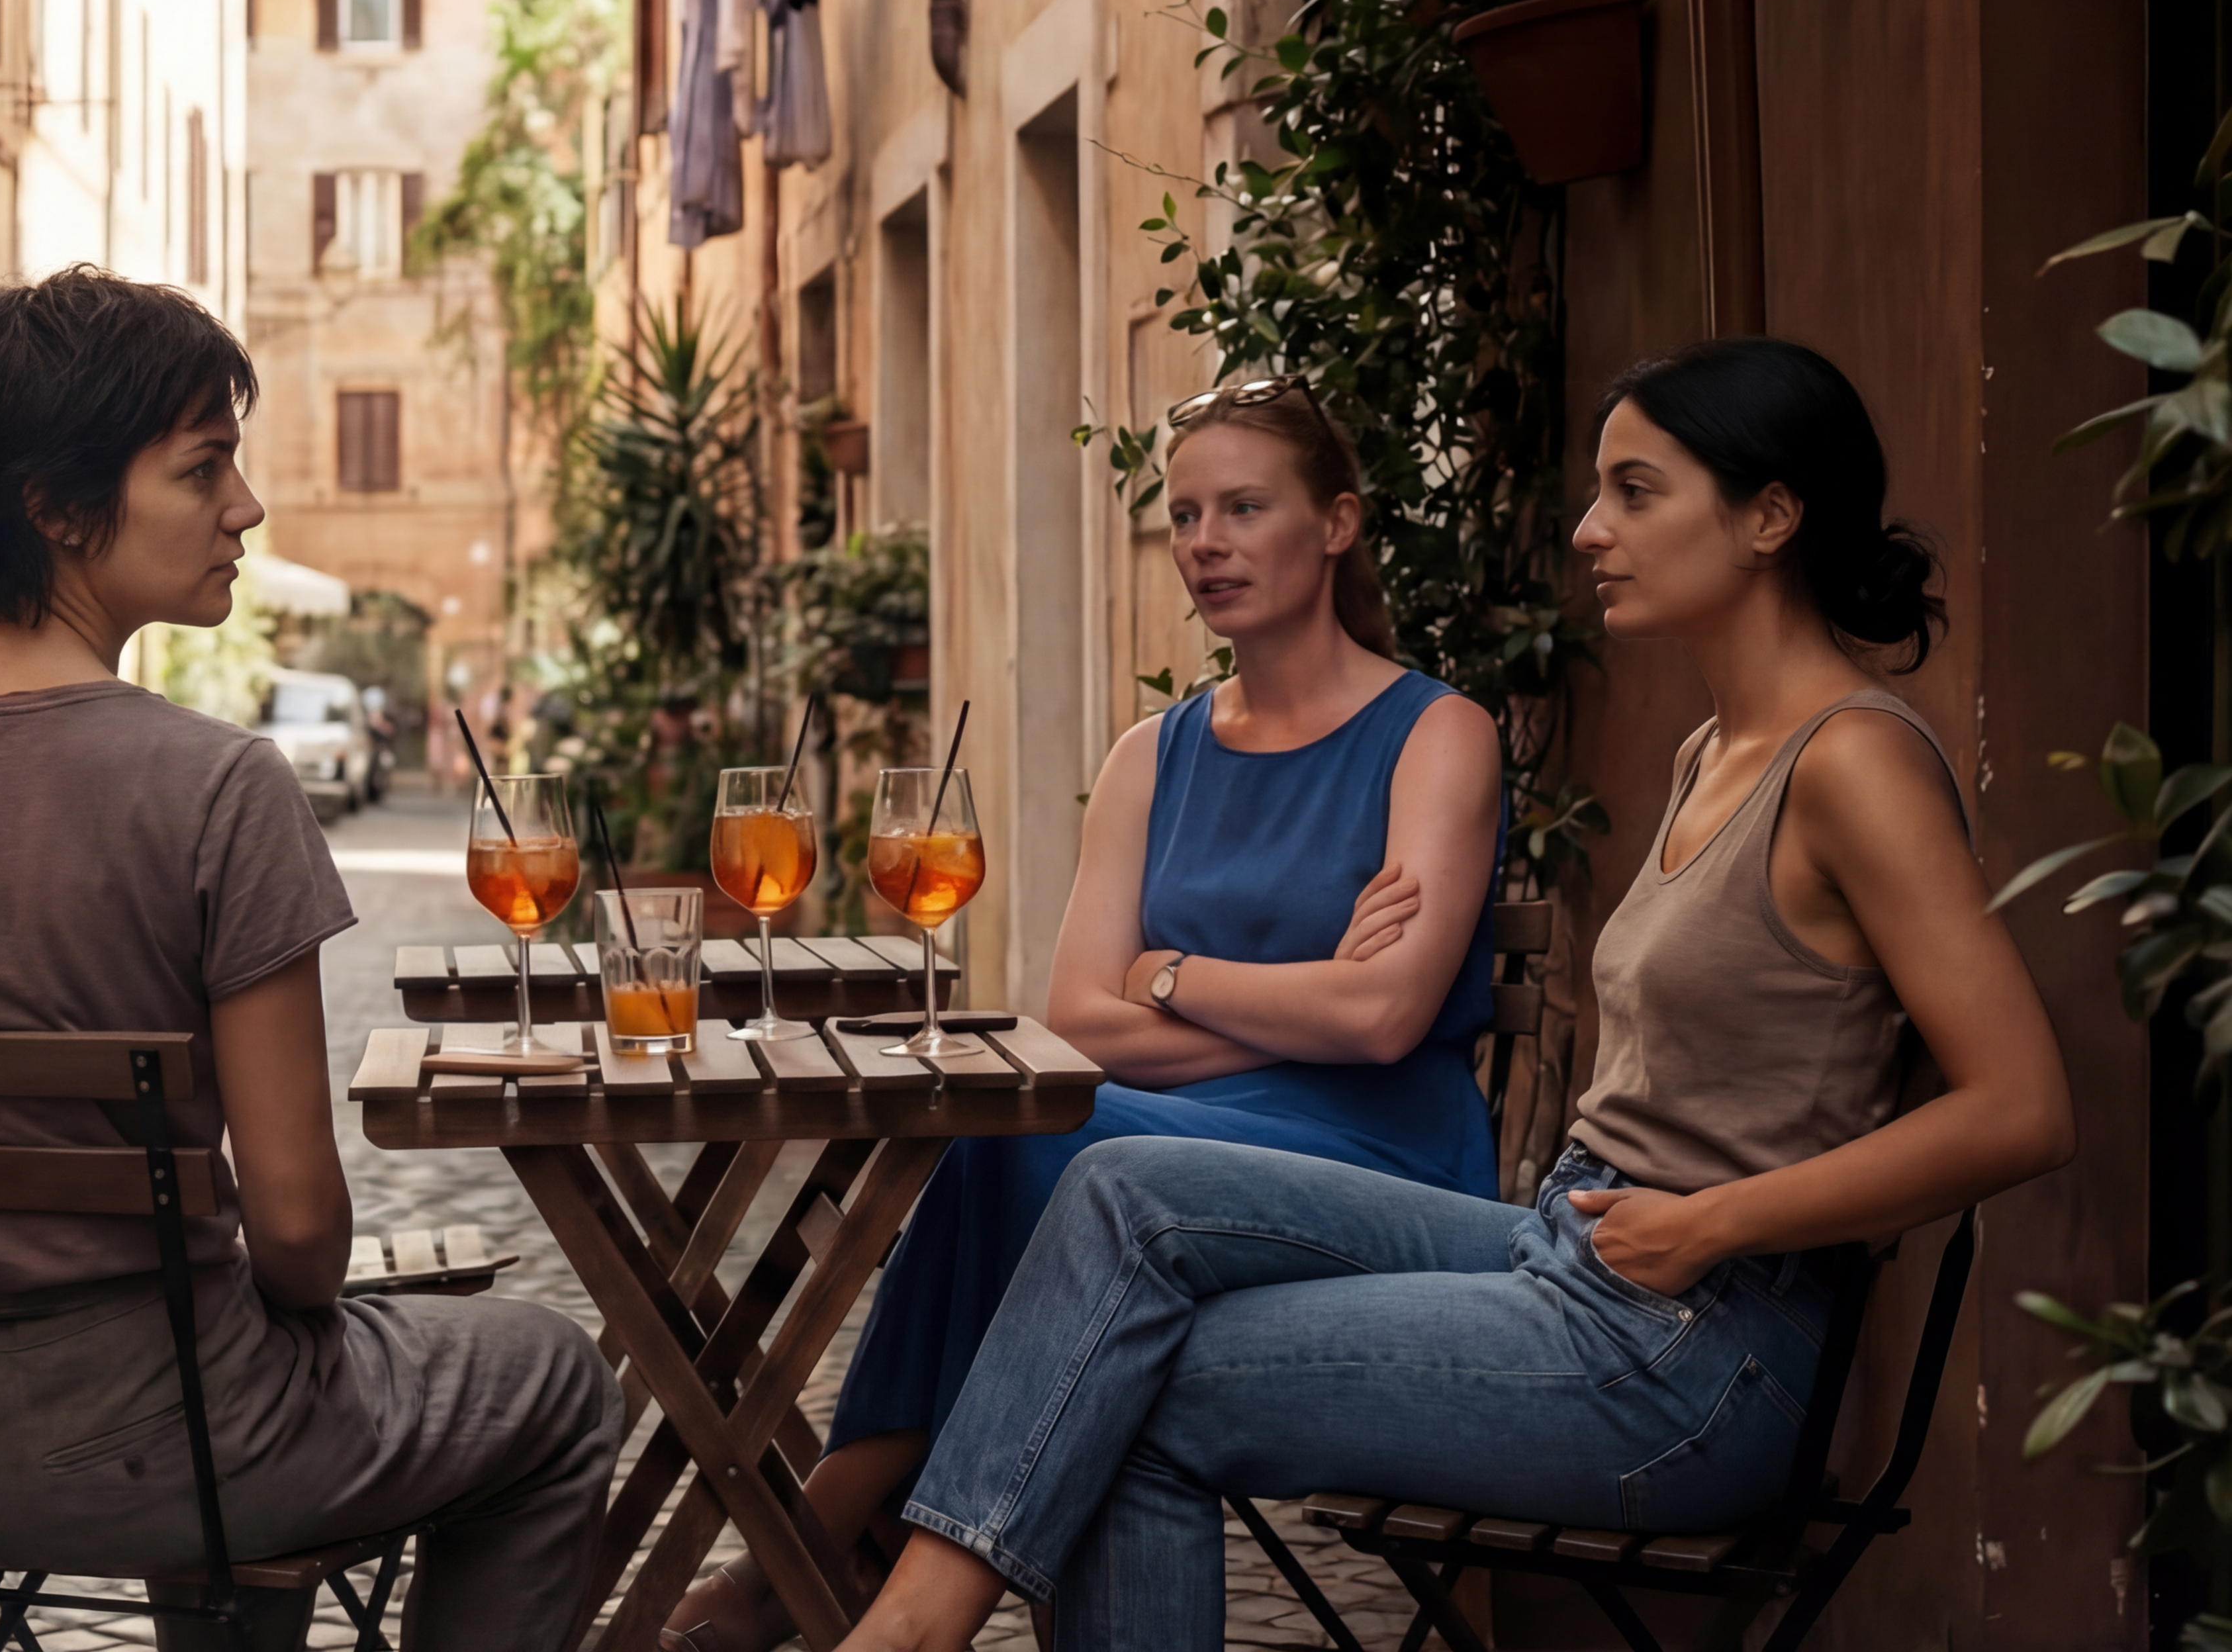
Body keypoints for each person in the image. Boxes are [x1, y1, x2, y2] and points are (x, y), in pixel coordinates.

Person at [831, 338, 2077, 1652]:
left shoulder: (1854, 762)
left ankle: (906, 1629)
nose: (1590, 529)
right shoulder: (1714, 750)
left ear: (1769, 517)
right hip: (1574, 1251)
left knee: (1121, 1385)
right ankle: (910, 1621)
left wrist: (1714, 1221)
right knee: (1113, 1191)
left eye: (1636, 491)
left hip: (1697, 1350)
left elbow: (2021, 1109)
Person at [0, 268, 621, 1652]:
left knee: (234, 1369)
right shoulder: (218, 786)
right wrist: (275, 1305)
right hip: (176, 1448)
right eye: (204, 468)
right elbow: (302, 1231)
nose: (245, 507)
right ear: (57, 506)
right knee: (554, 1379)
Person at [669, 379, 1509, 1651]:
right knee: (1017, 1138)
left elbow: (1385, 1025)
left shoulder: (1437, 734)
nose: (1207, 543)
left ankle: (829, 1533)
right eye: (1186, 516)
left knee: (1045, 1152)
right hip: (1163, 1146)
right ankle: (850, 1539)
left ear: (1338, 523)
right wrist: (1310, 1001)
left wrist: (1170, 974)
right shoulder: (1150, 754)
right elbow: (1073, 1021)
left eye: (1245, 508)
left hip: (1377, 1161)